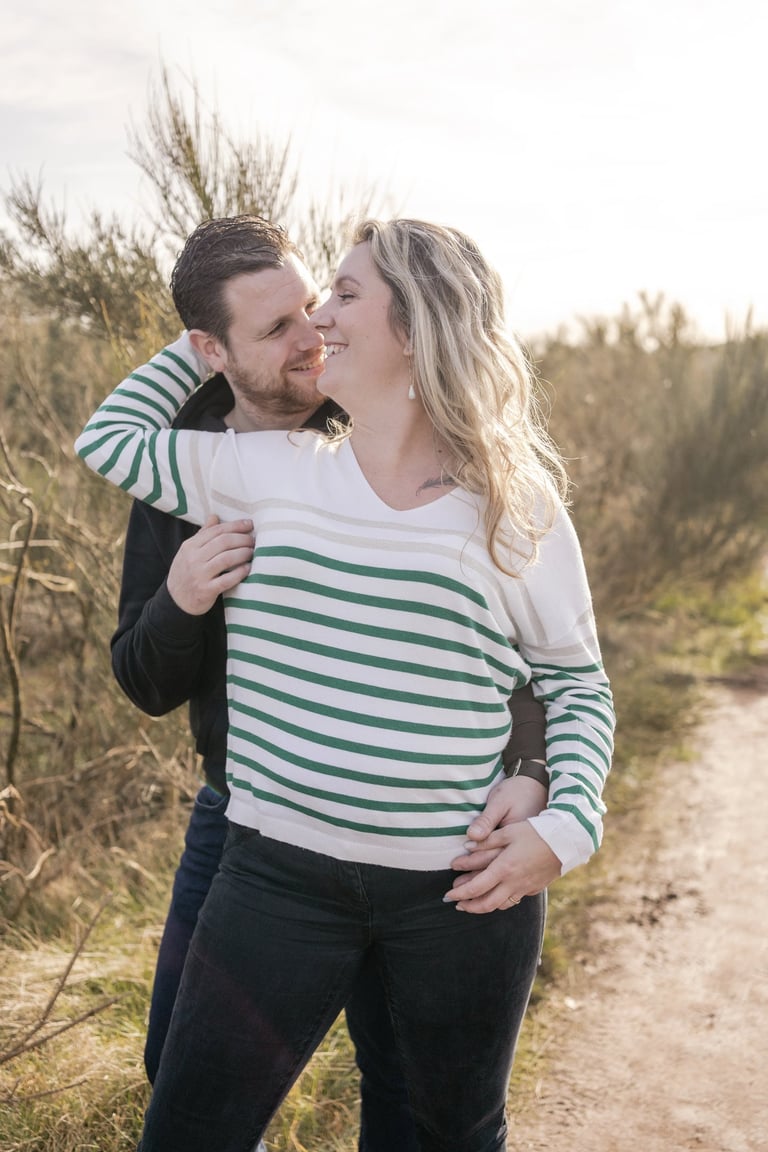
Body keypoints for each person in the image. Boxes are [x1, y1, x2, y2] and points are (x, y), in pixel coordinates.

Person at [76, 217, 614, 1152]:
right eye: (301, 307)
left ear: (417, 325)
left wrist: (565, 826)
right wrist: (202, 338)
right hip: (273, 873)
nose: (317, 319)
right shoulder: (261, 470)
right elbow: (109, 440)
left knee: (442, 1132)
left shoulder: (514, 501)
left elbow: (572, 681)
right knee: (189, 1127)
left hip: (458, 891)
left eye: (341, 295)